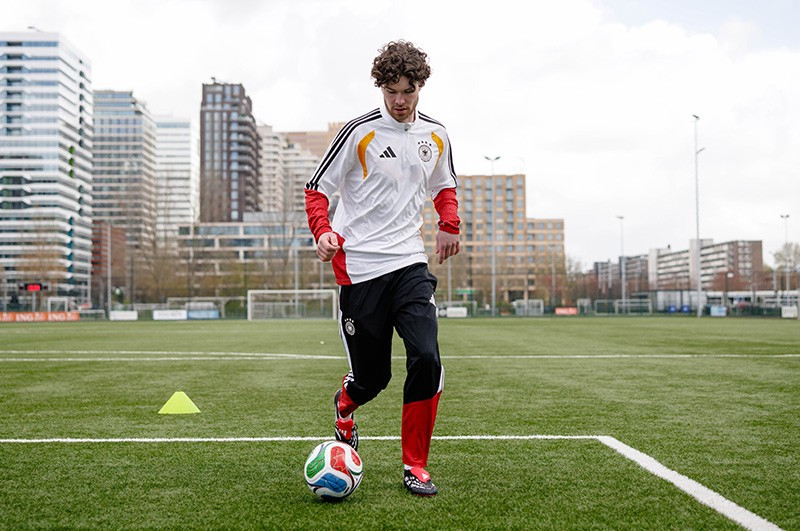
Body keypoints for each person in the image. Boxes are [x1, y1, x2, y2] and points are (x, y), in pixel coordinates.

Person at [304, 40, 460, 496]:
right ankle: (345, 404)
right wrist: (323, 232)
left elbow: (444, 185)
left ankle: (416, 464)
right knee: (373, 380)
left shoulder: (436, 135)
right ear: (381, 88)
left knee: (427, 357)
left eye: (408, 91)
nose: (399, 100)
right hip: (360, 269)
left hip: (409, 262)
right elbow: (317, 189)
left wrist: (449, 224)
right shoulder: (359, 132)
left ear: (420, 87)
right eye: (391, 91)